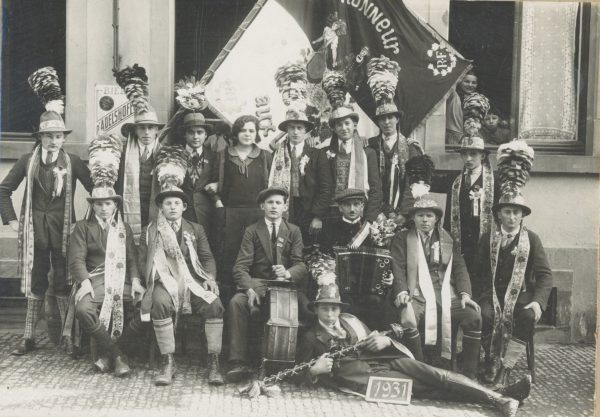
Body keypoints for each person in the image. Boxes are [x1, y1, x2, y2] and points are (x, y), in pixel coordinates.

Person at [296, 280, 529, 417]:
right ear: (316, 309)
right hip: (366, 376)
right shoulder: (310, 337)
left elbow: (374, 337)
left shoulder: (350, 320)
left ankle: (500, 396)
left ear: (340, 309)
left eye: (333, 308)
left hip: (387, 358)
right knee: (424, 386)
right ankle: (499, 397)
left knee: (434, 374)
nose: (330, 314)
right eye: (325, 309)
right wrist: (314, 371)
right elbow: (295, 372)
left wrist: (386, 341)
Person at [0, 67, 93, 356]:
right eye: (49, 136)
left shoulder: (74, 162)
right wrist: (13, 220)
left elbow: (99, 191)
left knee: (65, 282)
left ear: (64, 139)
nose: (54, 141)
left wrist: (90, 223)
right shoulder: (28, 161)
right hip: (36, 234)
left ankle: (68, 338)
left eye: (58, 136)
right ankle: (28, 337)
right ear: (40, 137)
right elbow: (4, 189)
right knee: (37, 281)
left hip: (65, 233)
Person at [138, 146, 225, 386]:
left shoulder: (195, 229)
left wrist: (210, 278)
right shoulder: (151, 231)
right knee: (161, 303)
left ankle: (214, 361)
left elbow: (207, 257)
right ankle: (168, 361)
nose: (173, 207)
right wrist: (143, 281)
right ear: (161, 208)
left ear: (184, 207)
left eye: (177, 203)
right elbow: (141, 258)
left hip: (192, 281)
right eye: (168, 204)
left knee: (214, 303)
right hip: (163, 281)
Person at [391, 156, 482, 379]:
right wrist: (402, 292)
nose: (424, 220)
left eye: (429, 216)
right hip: (417, 292)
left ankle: (469, 373)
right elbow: (397, 267)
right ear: (413, 218)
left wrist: (464, 293)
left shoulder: (447, 239)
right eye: (420, 216)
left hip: (446, 293)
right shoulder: (403, 238)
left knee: (473, 316)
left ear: (435, 219)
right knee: (408, 317)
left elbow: (460, 268)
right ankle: (420, 369)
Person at [474, 140, 553, 384]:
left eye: (516, 212)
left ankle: (506, 367)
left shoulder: (532, 239)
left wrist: (538, 303)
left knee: (527, 317)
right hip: (491, 295)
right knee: (485, 315)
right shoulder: (488, 238)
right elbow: (476, 272)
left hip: (520, 297)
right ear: (498, 214)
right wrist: (479, 297)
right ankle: (488, 360)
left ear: (522, 215)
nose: (511, 217)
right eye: (507, 211)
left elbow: (545, 275)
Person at [69, 134, 140, 377]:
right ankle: (118, 354)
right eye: (98, 204)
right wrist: (85, 283)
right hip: (96, 280)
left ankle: (109, 354)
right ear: (93, 205)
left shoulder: (123, 229)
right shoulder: (82, 227)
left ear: (115, 205)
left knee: (148, 307)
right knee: (83, 309)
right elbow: (76, 259)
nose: (103, 207)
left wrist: (138, 281)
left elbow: (132, 259)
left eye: (108, 203)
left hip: (122, 280)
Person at [226, 186, 308, 382]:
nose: (274, 206)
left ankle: (290, 361)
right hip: (258, 284)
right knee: (236, 303)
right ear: (262, 206)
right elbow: (240, 267)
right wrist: (249, 288)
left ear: (285, 207)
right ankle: (238, 362)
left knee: (306, 307)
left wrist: (288, 273)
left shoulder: (294, 231)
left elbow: (301, 264)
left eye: (278, 203)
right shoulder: (252, 231)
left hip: (285, 287)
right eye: (270, 202)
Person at [210, 115, 273, 301]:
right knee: (230, 256)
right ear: (236, 133)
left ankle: (255, 297)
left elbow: (271, 186)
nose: (247, 134)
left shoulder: (265, 156)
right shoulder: (222, 156)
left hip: (257, 214)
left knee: (256, 256)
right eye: (243, 130)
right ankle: (230, 302)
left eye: (251, 130)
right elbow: (212, 185)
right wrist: (218, 202)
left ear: (257, 133)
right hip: (230, 215)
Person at [319, 189, 395, 331]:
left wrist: (389, 276)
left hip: (368, 290)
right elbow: (323, 257)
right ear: (340, 208)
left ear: (362, 207)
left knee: (376, 301)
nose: (352, 209)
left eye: (356, 204)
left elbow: (384, 260)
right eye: (347, 205)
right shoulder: (329, 228)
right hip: (340, 286)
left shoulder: (375, 231)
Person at [321, 71, 383, 225]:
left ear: (354, 125)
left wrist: (369, 218)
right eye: (339, 125)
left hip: (361, 213)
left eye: (347, 123)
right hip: (332, 214)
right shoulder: (327, 153)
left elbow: (375, 189)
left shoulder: (368, 153)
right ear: (334, 129)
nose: (344, 128)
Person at [366, 56, 424, 220]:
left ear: (397, 119)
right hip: (376, 212)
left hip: (402, 213)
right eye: (382, 119)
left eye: (390, 117)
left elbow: (415, 183)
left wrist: (404, 213)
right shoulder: (370, 146)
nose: (386, 122)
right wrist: (375, 212)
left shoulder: (411, 147)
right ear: (378, 122)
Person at [114, 65, 165, 242]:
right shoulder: (122, 153)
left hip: (154, 205)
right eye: (142, 128)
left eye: (151, 128)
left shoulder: (165, 154)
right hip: (129, 206)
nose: (146, 133)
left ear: (157, 131)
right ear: (135, 131)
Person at [269, 108, 332, 245]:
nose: (296, 132)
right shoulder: (277, 154)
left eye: (299, 128)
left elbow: (326, 188)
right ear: (286, 130)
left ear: (305, 131)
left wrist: (318, 216)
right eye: (291, 128)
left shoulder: (317, 154)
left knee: (307, 249)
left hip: (309, 211)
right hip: (285, 208)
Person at [446, 135, 497, 297]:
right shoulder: (456, 182)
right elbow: (449, 214)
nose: (468, 158)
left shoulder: (494, 182)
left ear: (482, 155)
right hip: (461, 243)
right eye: (464, 154)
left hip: (484, 243)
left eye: (473, 154)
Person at [176, 112, 219, 243]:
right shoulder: (174, 155)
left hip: (206, 213)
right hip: (181, 211)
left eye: (200, 132)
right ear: (185, 134)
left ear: (206, 135)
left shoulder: (214, 157)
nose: (195, 136)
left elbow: (218, 179)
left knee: (205, 247)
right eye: (191, 132)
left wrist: (217, 184)